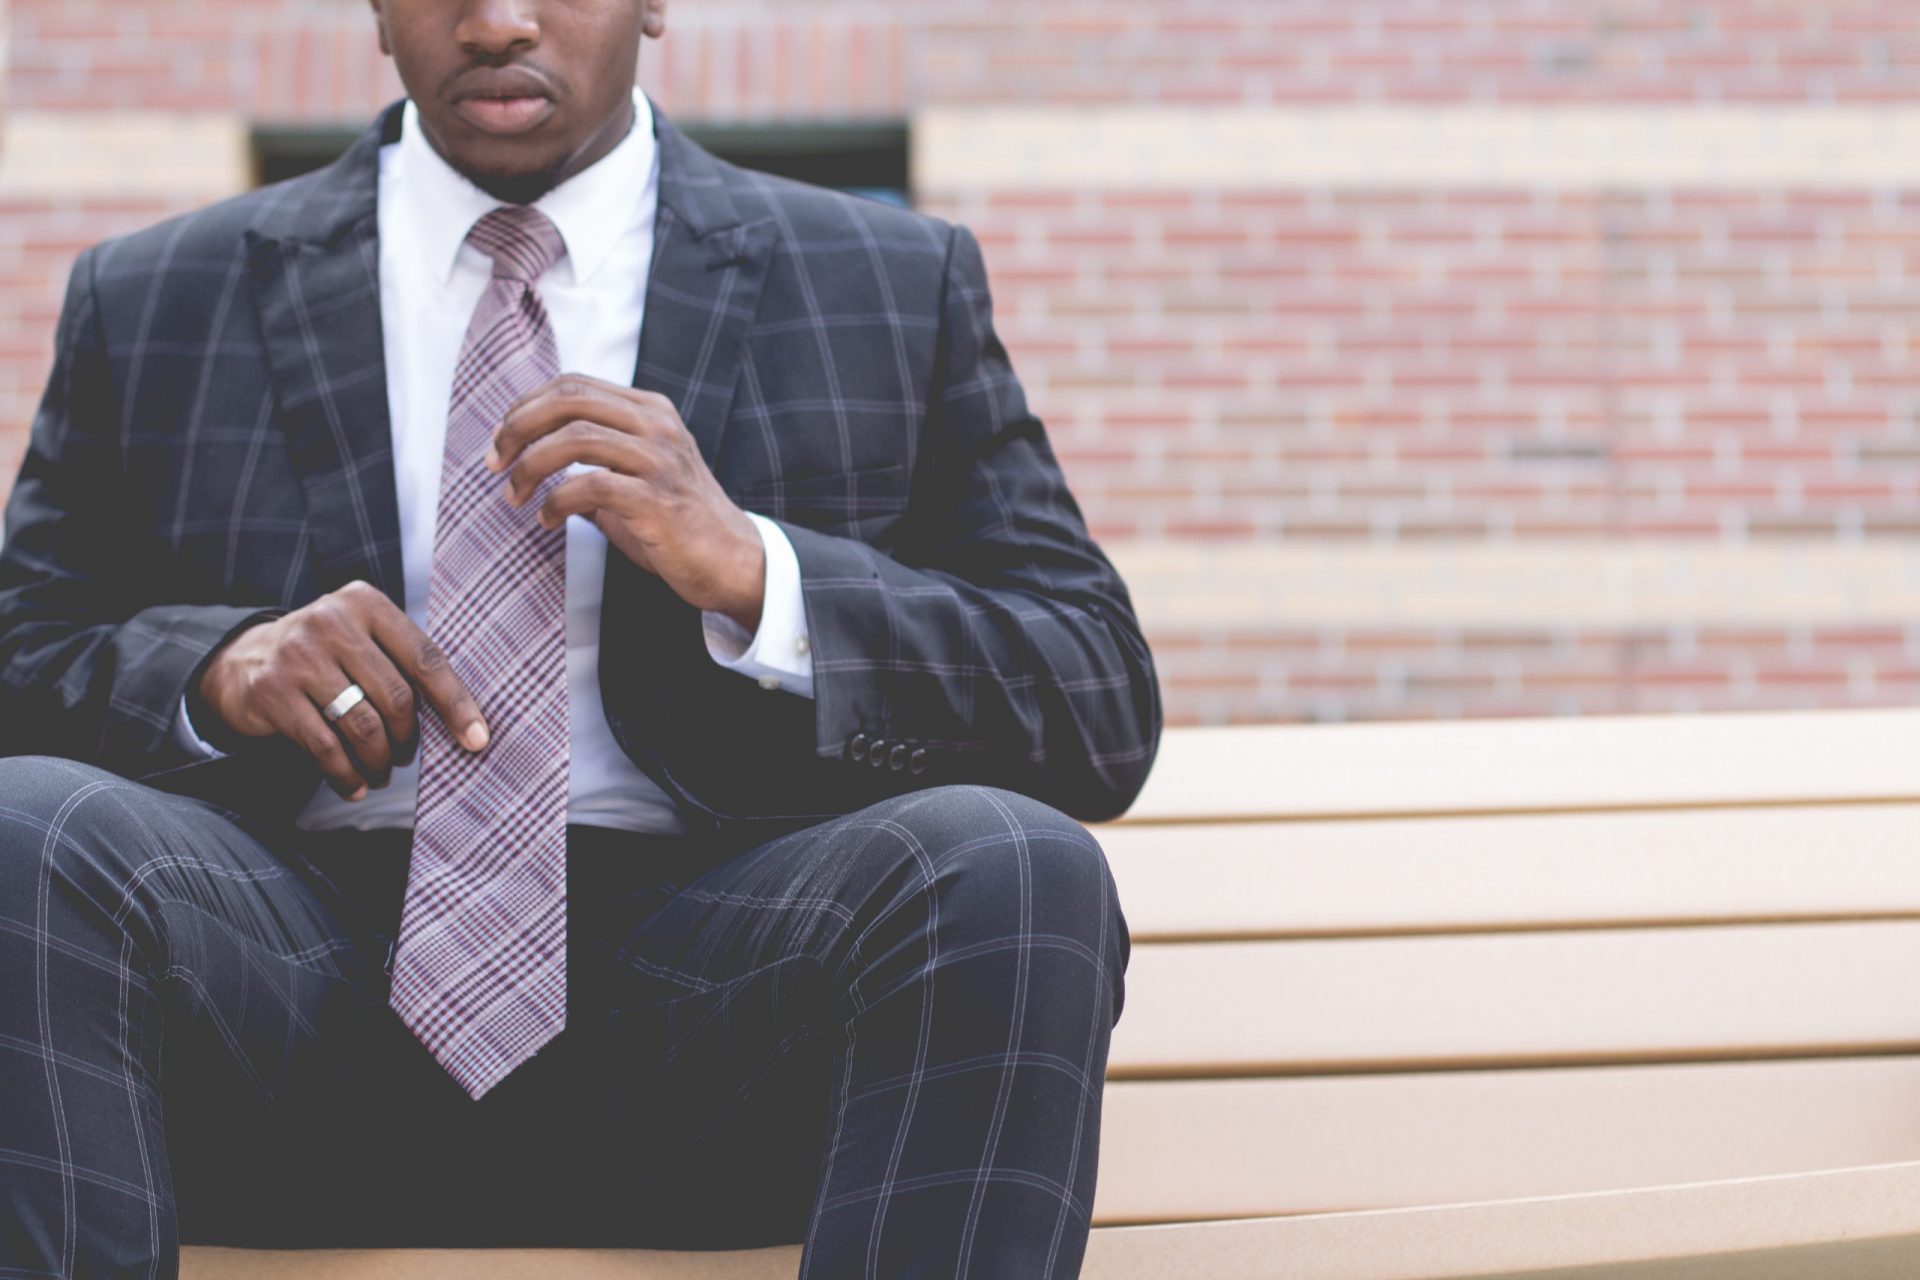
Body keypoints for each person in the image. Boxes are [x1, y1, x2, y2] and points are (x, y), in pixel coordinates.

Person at [0, 0, 1160, 1276]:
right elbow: (22, 657)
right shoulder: (158, 294)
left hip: (721, 1012)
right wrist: (213, 672)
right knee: (28, 825)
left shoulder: (884, 279)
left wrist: (757, 574)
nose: (497, 22)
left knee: (1010, 861)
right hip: (272, 998)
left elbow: (1095, 696)